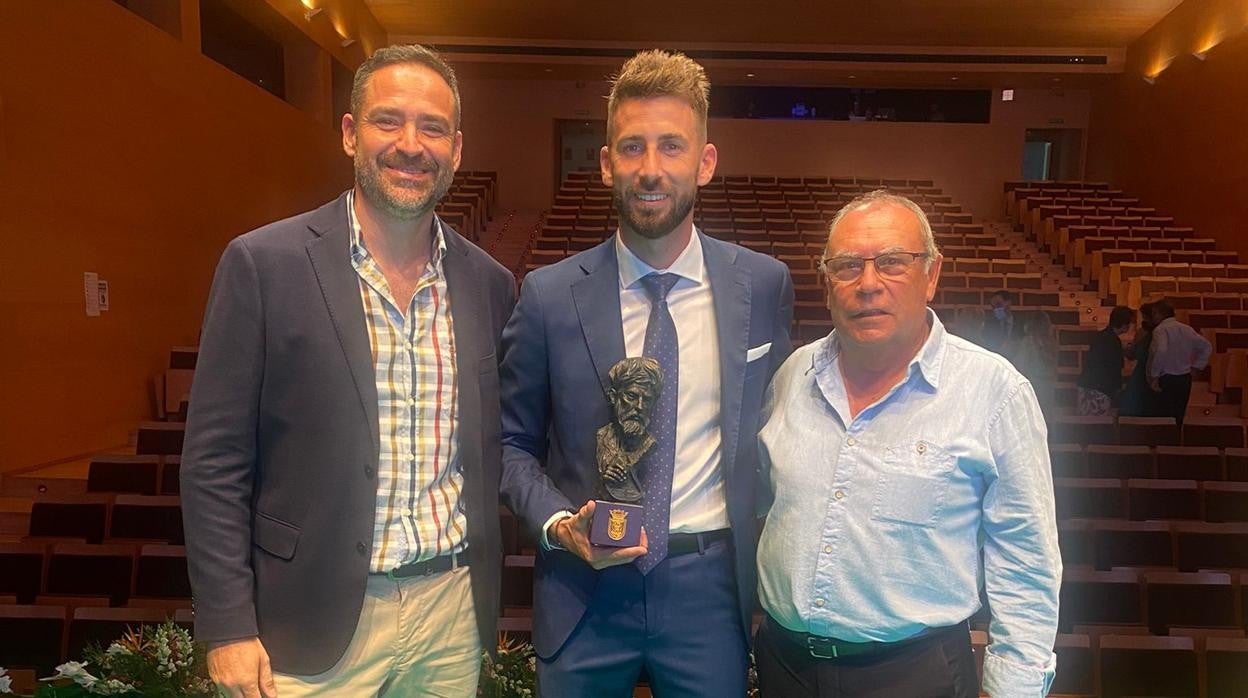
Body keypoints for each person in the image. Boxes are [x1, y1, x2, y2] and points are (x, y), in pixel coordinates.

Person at [181, 45, 517, 697]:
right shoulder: (263, 265)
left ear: (456, 148)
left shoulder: (489, 283)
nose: (411, 145)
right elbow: (213, 462)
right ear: (349, 132)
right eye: (388, 121)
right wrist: (226, 626)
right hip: (312, 618)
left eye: (433, 128)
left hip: (449, 615)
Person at [498, 49, 794, 696]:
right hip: (582, 593)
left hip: (708, 594)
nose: (651, 169)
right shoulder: (547, 296)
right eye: (631, 147)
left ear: (705, 162)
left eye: (671, 146)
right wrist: (557, 524)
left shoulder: (764, 287)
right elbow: (509, 445)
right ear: (606, 165)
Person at [755, 190, 1061, 697]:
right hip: (784, 668)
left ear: (932, 275)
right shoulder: (792, 377)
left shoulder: (994, 392)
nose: (868, 284)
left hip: (915, 674)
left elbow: (1027, 561)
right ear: (827, 283)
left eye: (893, 263)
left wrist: (1015, 688)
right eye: (847, 266)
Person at [1147, 299, 1212, 426]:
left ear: (1158, 313)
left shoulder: (1160, 330)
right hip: (1184, 378)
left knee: (1163, 418)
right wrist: (1197, 366)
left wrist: (1154, 375)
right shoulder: (1187, 329)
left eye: (1153, 314)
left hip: (1166, 378)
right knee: (1179, 416)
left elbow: (1161, 350)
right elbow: (1207, 346)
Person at [1077, 306, 1135, 416]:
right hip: (1100, 388)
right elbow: (1114, 368)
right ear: (1124, 324)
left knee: (1086, 424)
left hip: (1087, 384)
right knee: (1097, 424)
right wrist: (1118, 388)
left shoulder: (1100, 336)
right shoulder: (1113, 341)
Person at [1013, 311, 1060, 421]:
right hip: (1048, 387)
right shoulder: (1052, 343)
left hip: (1032, 386)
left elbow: (1020, 366)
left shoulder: (1028, 342)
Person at [1120, 301, 1158, 417]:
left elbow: (1133, 354)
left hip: (1147, 373)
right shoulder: (1143, 332)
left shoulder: (1149, 333)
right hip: (1148, 373)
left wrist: (1122, 347)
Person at [980, 289, 1021, 356]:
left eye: (998, 304)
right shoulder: (988, 325)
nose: (996, 309)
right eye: (993, 306)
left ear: (1008, 303)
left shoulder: (1022, 322)